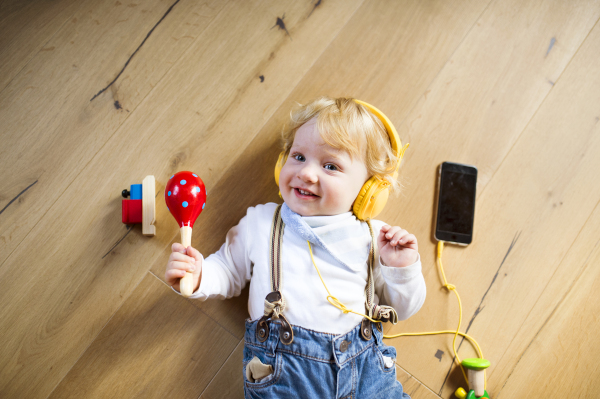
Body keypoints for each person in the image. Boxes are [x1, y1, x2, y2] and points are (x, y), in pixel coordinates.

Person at [165, 97, 426, 398]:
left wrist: (401, 268)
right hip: (285, 377)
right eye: (299, 157)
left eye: (330, 166)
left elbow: (402, 308)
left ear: (368, 190)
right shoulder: (262, 222)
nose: (306, 173)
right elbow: (227, 270)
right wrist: (198, 275)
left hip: (365, 373)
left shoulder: (376, 237)